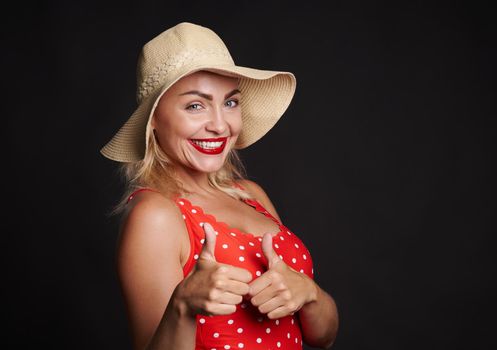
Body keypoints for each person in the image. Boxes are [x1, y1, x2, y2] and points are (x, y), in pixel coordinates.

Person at [100, 22, 339, 350]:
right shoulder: (155, 216)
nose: (219, 124)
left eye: (230, 102)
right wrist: (181, 306)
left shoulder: (252, 195)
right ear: (153, 119)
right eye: (195, 105)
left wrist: (310, 294)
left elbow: (322, 337)